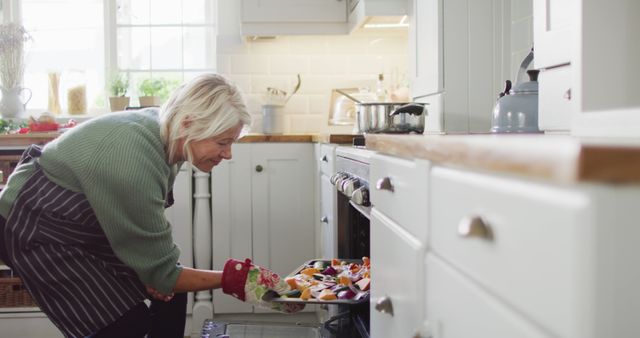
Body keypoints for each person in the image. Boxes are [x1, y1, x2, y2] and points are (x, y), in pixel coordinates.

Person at [0, 74, 300, 338]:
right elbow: (164, 272)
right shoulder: (133, 160)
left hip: (80, 224)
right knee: (124, 325)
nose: (228, 154)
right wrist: (235, 278)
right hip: (33, 226)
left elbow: (157, 259)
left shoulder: (166, 134)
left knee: (171, 296)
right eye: (222, 142)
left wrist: (160, 275)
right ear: (189, 123)